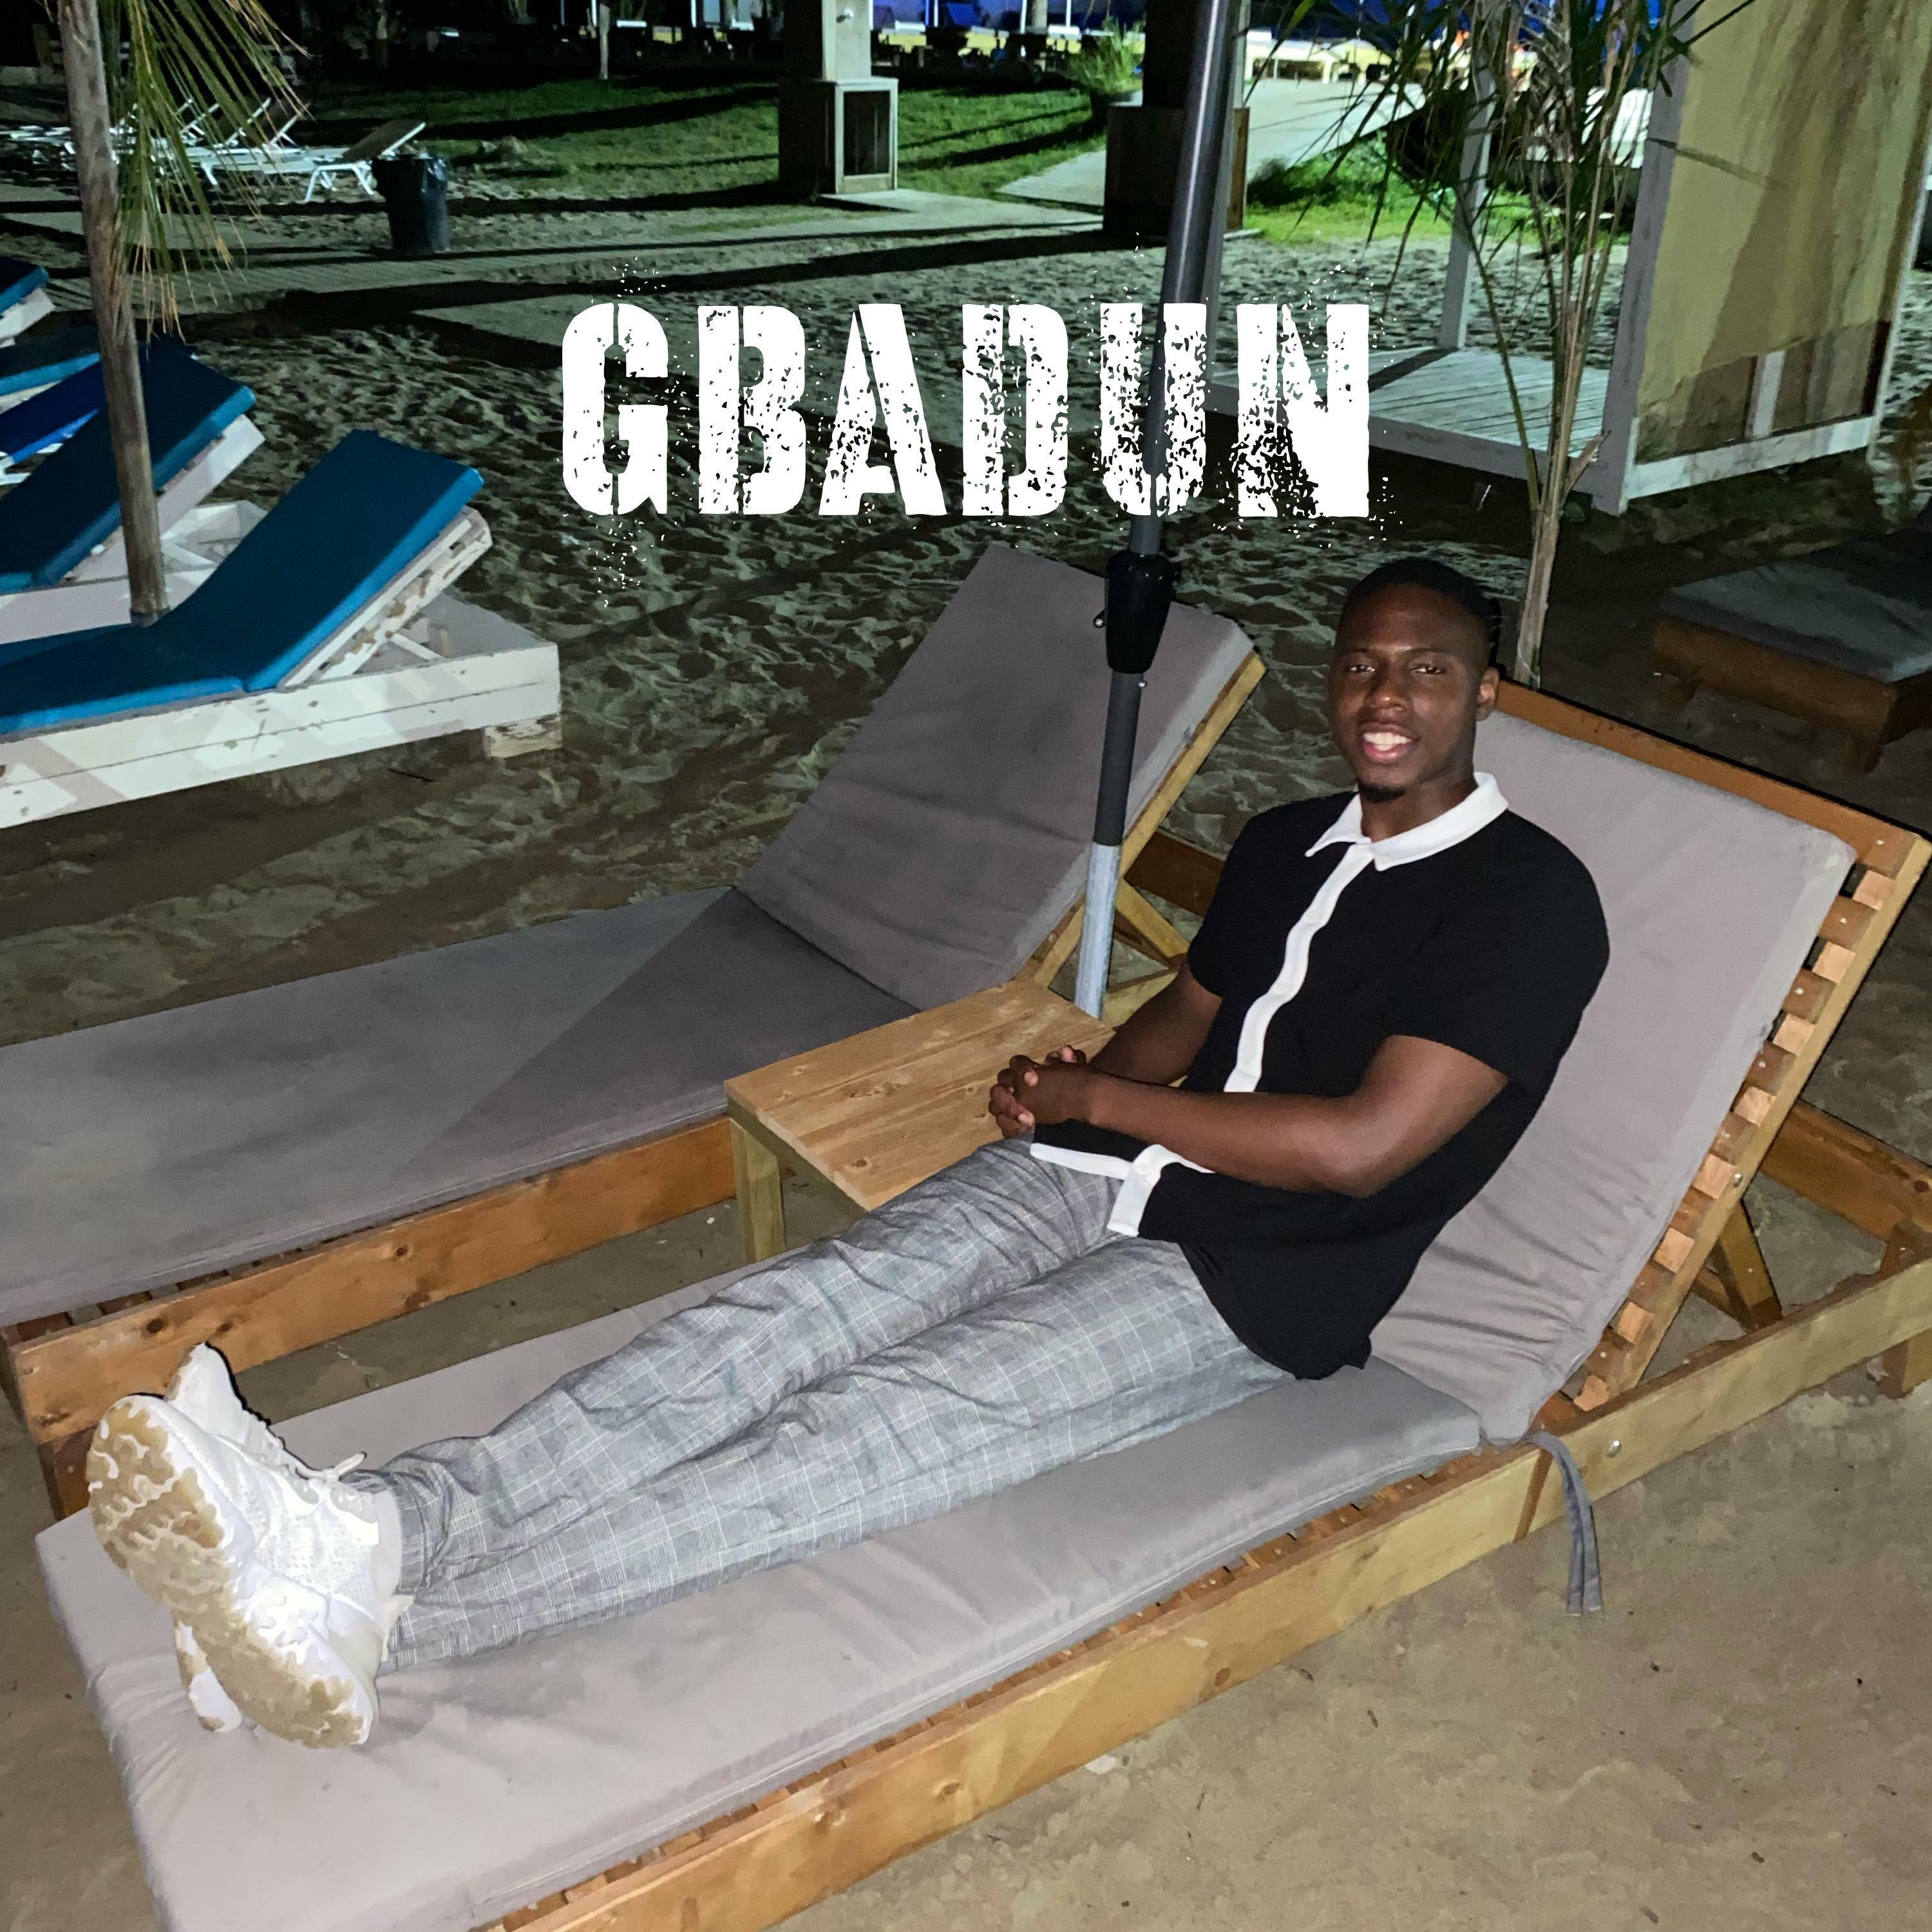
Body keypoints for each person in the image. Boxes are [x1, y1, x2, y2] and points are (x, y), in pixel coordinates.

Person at [86, 556, 1609, 1750]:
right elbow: (1191, 1017)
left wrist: (1110, 1107)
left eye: (1428, 669)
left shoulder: (1527, 904)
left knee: (870, 1427)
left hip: (1254, 1280)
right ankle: (374, 1529)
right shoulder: (1286, 843)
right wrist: (1074, 1086)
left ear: (1486, 693)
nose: (1384, 696)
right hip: (1098, 1174)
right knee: (776, 1319)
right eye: (1361, 664)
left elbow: (1357, 1152)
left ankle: (373, 1631)